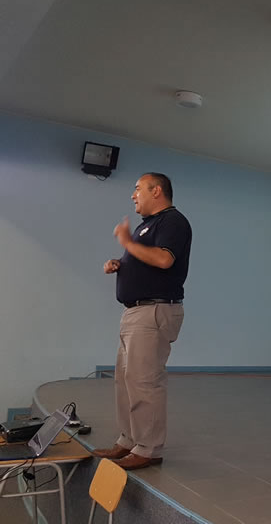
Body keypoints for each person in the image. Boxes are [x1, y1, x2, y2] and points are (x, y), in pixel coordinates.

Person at [92, 173, 192, 471]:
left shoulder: (173, 221)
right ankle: (129, 440)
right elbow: (147, 261)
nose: (133, 195)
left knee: (144, 381)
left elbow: (163, 259)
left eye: (137, 189)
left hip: (154, 311)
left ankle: (148, 449)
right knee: (126, 380)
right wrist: (121, 264)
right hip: (135, 312)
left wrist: (126, 241)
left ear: (156, 191)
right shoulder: (146, 225)